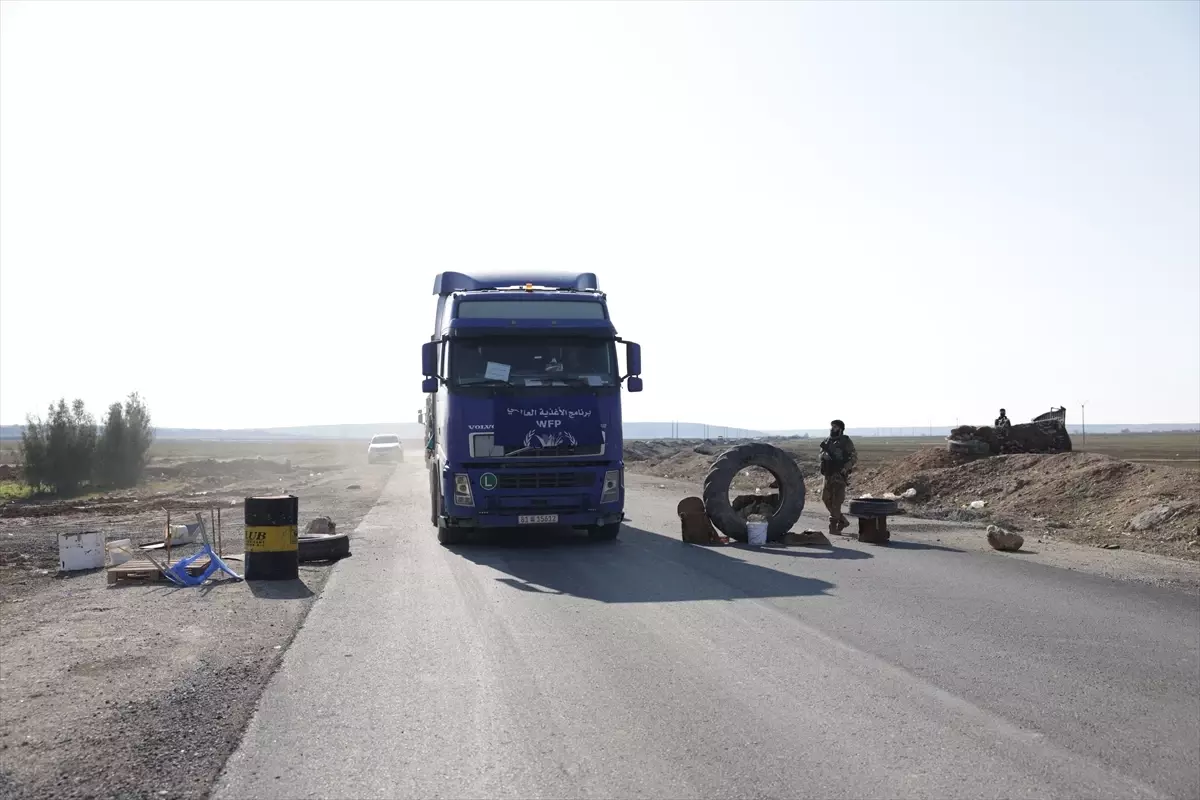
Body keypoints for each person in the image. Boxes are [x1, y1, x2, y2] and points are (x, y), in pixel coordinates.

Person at [820, 419, 858, 535]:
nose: (832, 429)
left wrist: (846, 467)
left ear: (840, 429)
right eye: (832, 427)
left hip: (839, 474)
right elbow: (820, 453)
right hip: (828, 474)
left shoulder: (845, 441)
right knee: (825, 498)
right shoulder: (827, 441)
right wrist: (823, 455)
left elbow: (853, 456)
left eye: (835, 427)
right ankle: (842, 520)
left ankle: (833, 526)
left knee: (837, 501)